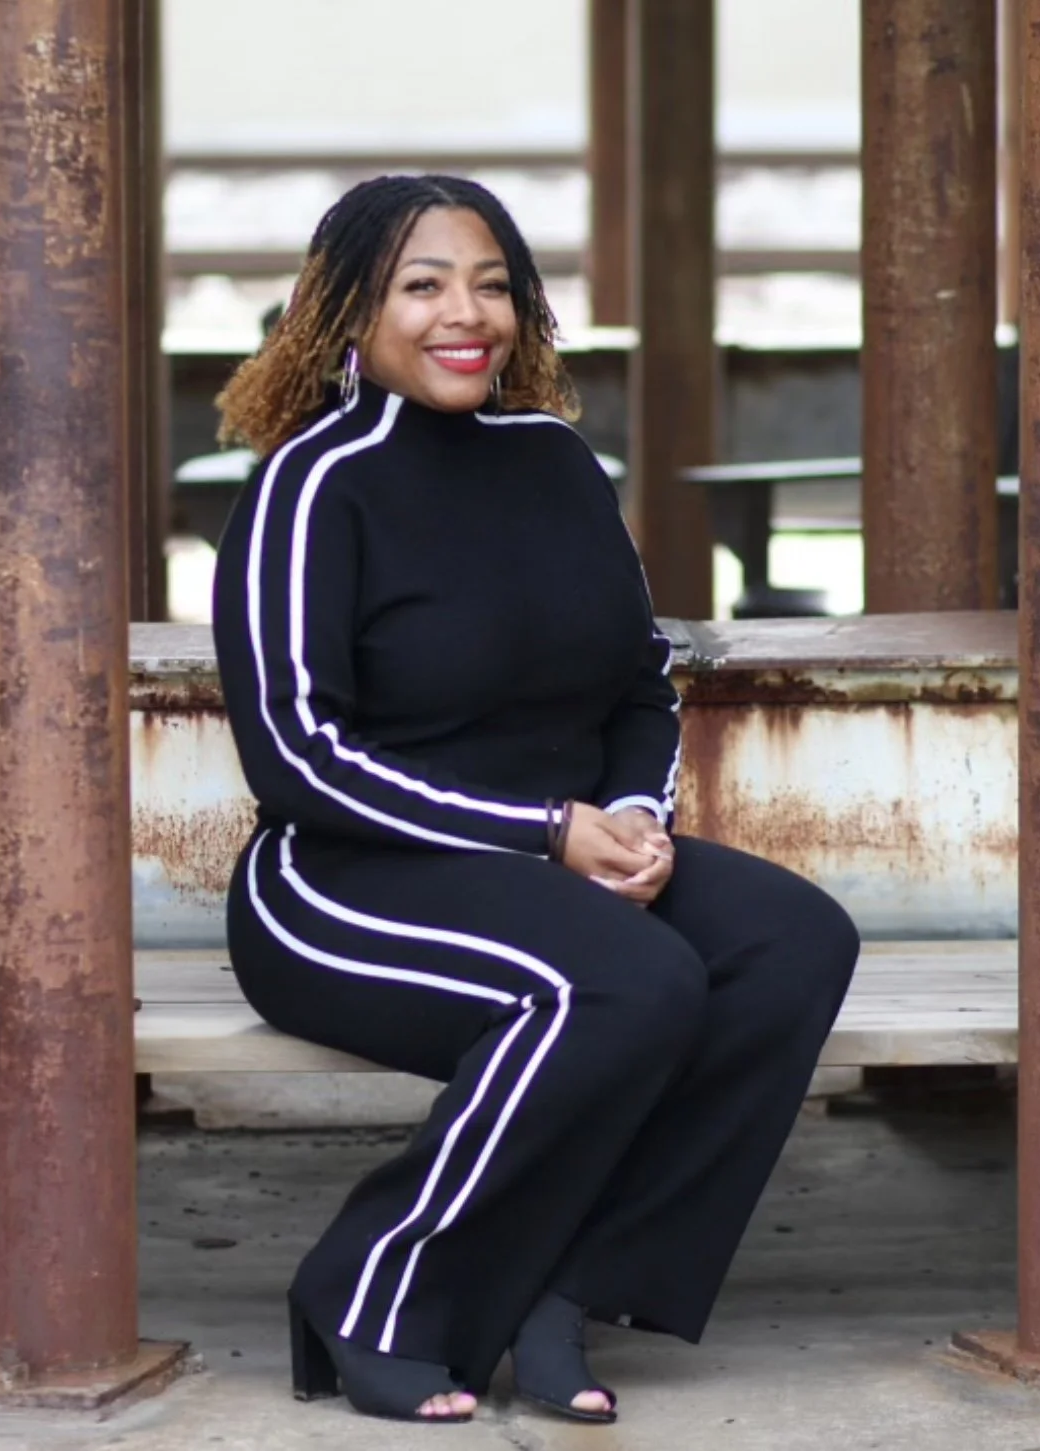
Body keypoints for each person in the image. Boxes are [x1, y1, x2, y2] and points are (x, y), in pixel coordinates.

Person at [211, 173, 860, 1426]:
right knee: (628, 981)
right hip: (343, 882)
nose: (467, 314)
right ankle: (373, 1289)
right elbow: (298, 756)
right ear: (347, 310)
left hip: (560, 855)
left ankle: (566, 1282)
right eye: (423, 285)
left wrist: (637, 817)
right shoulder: (311, 484)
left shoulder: (556, 461)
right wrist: (547, 830)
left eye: (492, 284)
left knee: (792, 942)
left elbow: (640, 680)